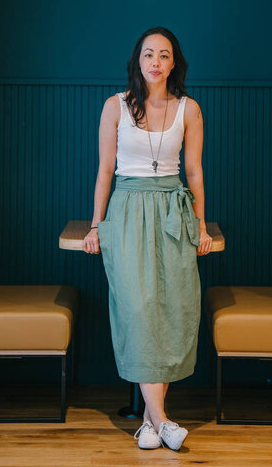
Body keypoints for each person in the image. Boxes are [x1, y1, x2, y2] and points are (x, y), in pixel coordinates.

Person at [83, 26, 213, 451]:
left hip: (173, 210)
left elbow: (193, 173)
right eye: (148, 54)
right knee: (137, 310)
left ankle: (150, 424)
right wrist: (96, 224)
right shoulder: (114, 106)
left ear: (174, 63)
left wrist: (201, 226)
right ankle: (162, 418)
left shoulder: (189, 109)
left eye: (163, 55)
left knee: (170, 308)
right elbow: (105, 170)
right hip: (127, 209)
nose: (155, 61)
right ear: (137, 61)